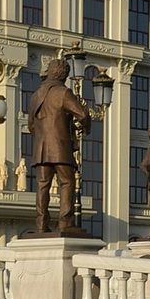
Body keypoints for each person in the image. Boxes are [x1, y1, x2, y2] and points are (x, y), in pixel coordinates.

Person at [28, 57, 90, 234]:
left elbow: (31, 125)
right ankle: (65, 222)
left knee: (42, 185)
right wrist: (85, 126)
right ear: (64, 74)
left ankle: (41, 224)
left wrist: (42, 137)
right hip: (60, 147)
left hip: (40, 149)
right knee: (67, 182)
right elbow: (82, 115)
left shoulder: (36, 95)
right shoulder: (63, 93)